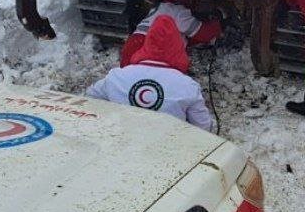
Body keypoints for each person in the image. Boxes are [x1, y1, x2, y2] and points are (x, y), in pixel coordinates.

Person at [87, 15, 217, 132]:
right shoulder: (187, 86)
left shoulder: (116, 76)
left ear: (147, 43)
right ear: (178, 48)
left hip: (121, 143)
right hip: (167, 150)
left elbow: (89, 99)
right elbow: (204, 128)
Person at [120, 0, 222, 67]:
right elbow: (204, 34)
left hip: (132, 44)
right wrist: (218, 22)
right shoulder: (179, 11)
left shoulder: (158, 8)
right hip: (150, 48)